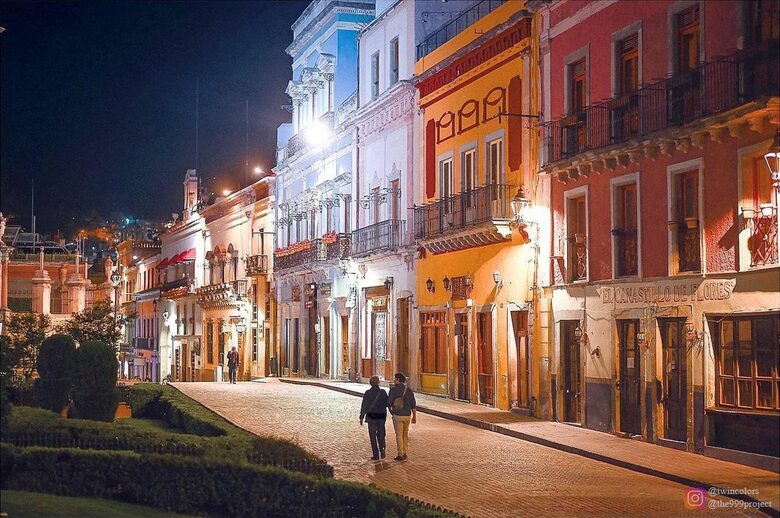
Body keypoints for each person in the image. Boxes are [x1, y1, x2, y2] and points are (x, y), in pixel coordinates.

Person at [387, 372, 416, 461]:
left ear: (398, 380)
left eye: (395, 379)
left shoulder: (393, 390)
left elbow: (389, 403)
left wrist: (391, 411)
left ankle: (400, 454)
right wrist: (414, 416)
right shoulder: (409, 390)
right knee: (405, 434)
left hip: (397, 415)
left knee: (399, 435)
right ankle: (405, 452)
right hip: (407, 415)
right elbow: (413, 405)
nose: (394, 380)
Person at [359, 376, 388, 461]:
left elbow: (364, 405)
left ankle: (375, 455)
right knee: (381, 433)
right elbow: (387, 403)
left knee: (372, 436)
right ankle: (382, 447)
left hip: (371, 416)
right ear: (378, 382)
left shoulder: (368, 393)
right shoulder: (382, 392)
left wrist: (361, 417)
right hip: (381, 416)